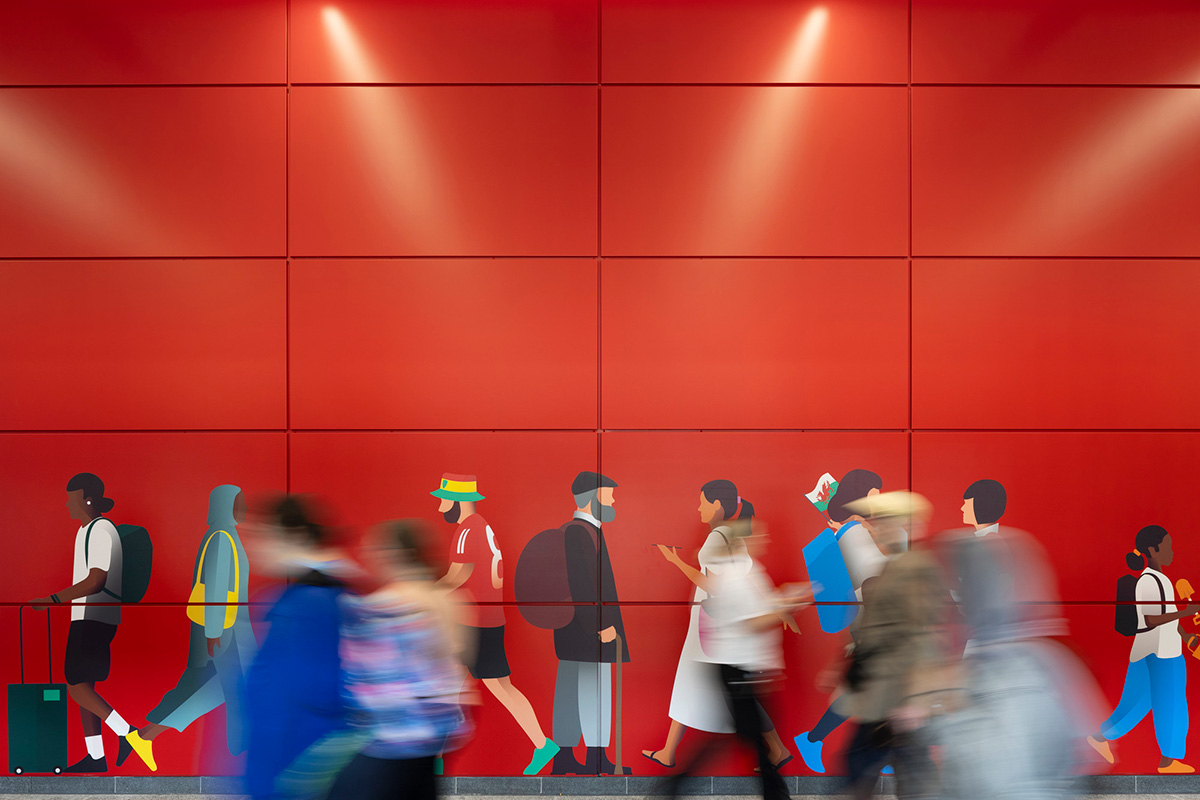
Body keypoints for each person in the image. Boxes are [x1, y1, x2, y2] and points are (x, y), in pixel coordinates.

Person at [643, 480, 793, 770]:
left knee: (711, 687)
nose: (699, 507)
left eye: (703, 502)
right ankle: (669, 751)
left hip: (709, 625)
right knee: (699, 685)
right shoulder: (729, 537)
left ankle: (774, 747)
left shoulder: (717, 537)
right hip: (714, 623)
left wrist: (674, 561)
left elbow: (711, 583)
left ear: (717, 505)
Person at [662, 518, 808, 800]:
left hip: (744, 668)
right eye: (760, 535)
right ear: (745, 540)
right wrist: (790, 604)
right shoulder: (736, 577)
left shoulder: (749, 571)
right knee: (748, 738)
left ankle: (676, 785)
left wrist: (783, 601)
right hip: (739, 669)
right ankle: (775, 795)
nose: (765, 539)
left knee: (740, 736)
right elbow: (751, 623)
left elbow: (759, 608)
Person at [326, 519, 470, 800]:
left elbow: (360, 673)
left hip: (399, 728)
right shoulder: (449, 598)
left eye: (374, 549)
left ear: (392, 553)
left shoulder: (390, 604)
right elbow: (460, 654)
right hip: (442, 722)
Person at [430, 473, 558, 775]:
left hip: (474, 625)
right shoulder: (482, 526)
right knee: (488, 686)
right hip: (489, 621)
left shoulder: (466, 530)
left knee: (472, 687)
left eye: (444, 500)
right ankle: (541, 745)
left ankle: (541, 744)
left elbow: (457, 575)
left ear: (457, 501)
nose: (440, 507)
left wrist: (426, 592)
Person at [130, 485, 258, 766]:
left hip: (222, 629)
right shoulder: (223, 538)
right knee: (238, 690)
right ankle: (245, 755)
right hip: (227, 631)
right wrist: (213, 632)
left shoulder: (219, 535)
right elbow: (214, 587)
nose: (246, 509)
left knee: (217, 689)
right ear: (227, 505)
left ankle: (146, 736)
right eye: (241, 503)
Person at [244, 495, 361, 800]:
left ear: (293, 535)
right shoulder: (325, 592)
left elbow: (308, 692)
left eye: (263, 535)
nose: (255, 545)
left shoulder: (303, 604)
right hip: (303, 758)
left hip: (295, 761)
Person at [31, 473, 148, 772]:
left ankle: (129, 733)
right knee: (86, 686)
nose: (67, 504)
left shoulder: (101, 529)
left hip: (95, 617)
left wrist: (53, 599)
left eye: (72, 497)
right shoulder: (83, 531)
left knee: (75, 685)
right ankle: (96, 757)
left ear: (88, 499)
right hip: (85, 615)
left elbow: (97, 580)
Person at [837, 492, 948, 800]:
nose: (875, 526)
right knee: (905, 765)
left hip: (897, 691)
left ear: (903, 523)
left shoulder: (914, 568)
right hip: (883, 688)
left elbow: (919, 634)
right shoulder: (895, 565)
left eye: (882, 520)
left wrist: (913, 699)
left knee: (880, 762)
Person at [794, 468, 887, 773]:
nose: (878, 501)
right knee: (868, 687)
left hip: (869, 618)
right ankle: (815, 739)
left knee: (869, 688)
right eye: (874, 495)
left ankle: (817, 740)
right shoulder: (855, 532)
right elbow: (875, 573)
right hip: (871, 619)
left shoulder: (851, 529)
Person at [1088, 525, 1197, 774]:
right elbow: (1150, 619)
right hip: (1161, 652)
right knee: (1172, 702)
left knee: (1136, 703)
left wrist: (1184, 633)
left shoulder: (1161, 580)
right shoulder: (1148, 581)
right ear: (1153, 549)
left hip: (1151, 649)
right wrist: (1186, 611)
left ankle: (1099, 737)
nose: (1172, 550)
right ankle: (1169, 761)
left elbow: (1165, 615)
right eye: (1167, 545)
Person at [549, 471, 631, 776]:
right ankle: (596, 758)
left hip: (573, 629)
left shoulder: (579, 530)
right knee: (593, 690)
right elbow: (584, 585)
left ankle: (566, 757)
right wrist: (600, 625)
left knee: (570, 689)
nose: (612, 501)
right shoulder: (581, 532)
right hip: (589, 630)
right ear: (593, 496)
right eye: (608, 494)